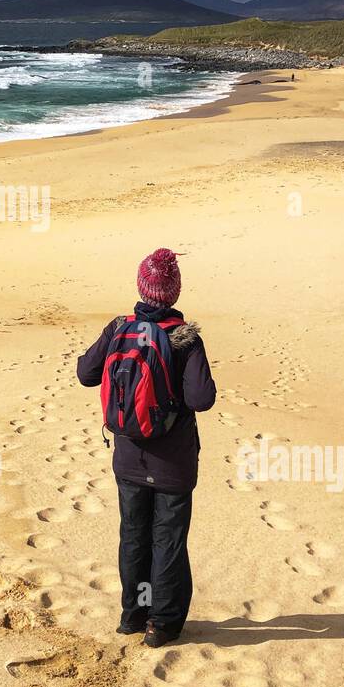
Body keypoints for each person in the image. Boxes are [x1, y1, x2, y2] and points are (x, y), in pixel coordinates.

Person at [76, 248, 216, 647]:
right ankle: (161, 625)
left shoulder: (120, 327)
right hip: (172, 464)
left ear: (142, 288)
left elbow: (85, 373)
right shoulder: (185, 338)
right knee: (167, 540)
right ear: (174, 293)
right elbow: (202, 398)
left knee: (135, 535)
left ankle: (133, 615)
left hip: (129, 458)